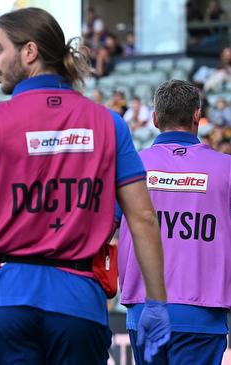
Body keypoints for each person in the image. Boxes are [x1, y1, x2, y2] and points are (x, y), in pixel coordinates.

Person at [0, 8, 170, 365]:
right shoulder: (109, 123)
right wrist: (156, 302)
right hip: (79, 303)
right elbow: (142, 217)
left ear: (29, 52)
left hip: (5, 300)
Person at [118, 80, 231, 365]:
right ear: (197, 116)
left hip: (143, 308)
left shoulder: (131, 167)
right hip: (202, 312)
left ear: (155, 119)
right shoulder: (226, 169)